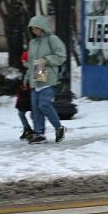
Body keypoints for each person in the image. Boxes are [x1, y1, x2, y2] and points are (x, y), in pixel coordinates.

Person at [24, 15, 67, 144]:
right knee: (36, 108)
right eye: (32, 29)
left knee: (44, 104)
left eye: (36, 28)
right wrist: (27, 77)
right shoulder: (33, 43)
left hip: (48, 76)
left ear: (42, 27)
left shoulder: (52, 39)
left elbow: (61, 56)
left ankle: (59, 128)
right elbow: (31, 63)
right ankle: (39, 134)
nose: (34, 31)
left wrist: (47, 60)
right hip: (36, 76)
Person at [16, 50, 33, 140]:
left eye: (24, 61)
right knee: (21, 113)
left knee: (34, 114)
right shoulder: (25, 70)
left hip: (31, 95)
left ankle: (37, 132)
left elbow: (40, 82)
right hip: (25, 96)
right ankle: (27, 129)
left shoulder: (37, 68)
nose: (23, 63)